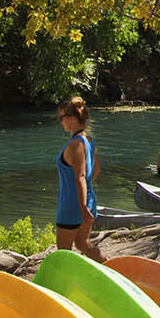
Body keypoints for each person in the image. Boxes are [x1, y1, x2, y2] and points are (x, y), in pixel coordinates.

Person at [54, 96, 104, 262]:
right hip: (88, 200)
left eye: (61, 118)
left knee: (63, 253)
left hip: (72, 206)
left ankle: (63, 286)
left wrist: (81, 207)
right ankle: (112, 270)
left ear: (71, 118)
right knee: (83, 244)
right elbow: (95, 170)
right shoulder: (89, 140)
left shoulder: (75, 144)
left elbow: (80, 177)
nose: (60, 122)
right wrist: (85, 200)